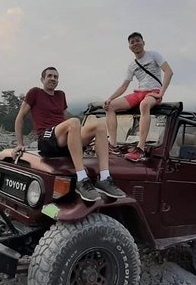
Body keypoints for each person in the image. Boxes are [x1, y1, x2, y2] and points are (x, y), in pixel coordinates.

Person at [13, 66, 126, 202]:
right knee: (74, 121)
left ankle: (104, 177)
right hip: (46, 138)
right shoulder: (35, 93)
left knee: (100, 124)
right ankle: (82, 178)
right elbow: (20, 118)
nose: (53, 79)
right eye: (49, 76)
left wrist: (81, 141)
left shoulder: (61, 95)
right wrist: (20, 144)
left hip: (62, 137)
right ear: (42, 79)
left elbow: (65, 120)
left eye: (55, 77)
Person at [104, 32, 173, 162]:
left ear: (143, 42)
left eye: (137, 40)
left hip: (153, 91)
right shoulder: (132, 65)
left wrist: (160, 93)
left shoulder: (154, 55)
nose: (135, 43)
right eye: (132, 42)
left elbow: (169, 72)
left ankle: (140, 149)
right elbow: (124, 86)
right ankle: (113, 145)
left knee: (144, 105)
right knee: (110, 107)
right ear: (129, 47)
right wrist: (110, 98)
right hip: (139, 92)